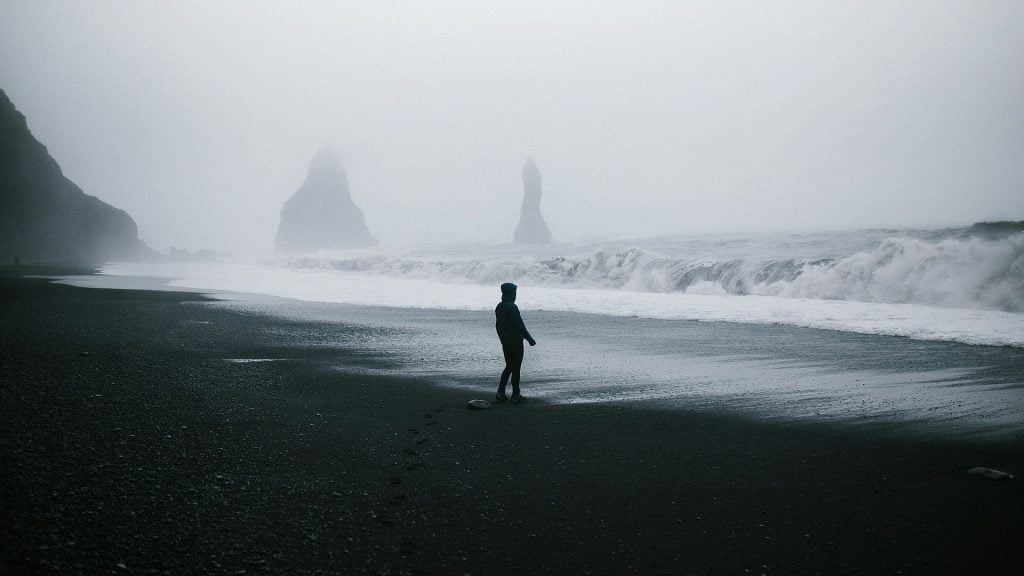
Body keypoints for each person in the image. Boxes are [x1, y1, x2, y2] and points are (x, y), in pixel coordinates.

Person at [494, 282, 536, 403]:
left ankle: (501, 392)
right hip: (515, 341)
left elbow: (498, 326)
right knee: (516, 367)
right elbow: (520, 326)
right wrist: (530, 339)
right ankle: (515, 394)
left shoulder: (499, 306)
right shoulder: (512, 307)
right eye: (514, 292)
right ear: (510, 293)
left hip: (505, 341)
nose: (515, 295)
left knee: (509, 366)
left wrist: (502, 338)